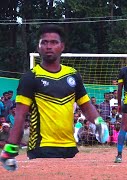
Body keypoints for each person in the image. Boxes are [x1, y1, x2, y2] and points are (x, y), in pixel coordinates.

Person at [0, 24, 105, 171]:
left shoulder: (73, 75)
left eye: (54, 42)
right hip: (41, 148)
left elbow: (86, 106)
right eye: (44, 42)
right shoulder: (30, 77)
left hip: (70, 148)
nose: (49, 46)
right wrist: (9, 151)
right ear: (38, 47)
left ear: (62, 46)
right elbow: (20, 117)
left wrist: (99, 122)